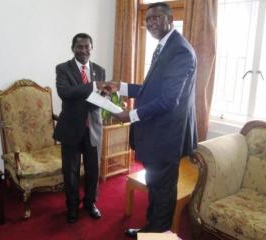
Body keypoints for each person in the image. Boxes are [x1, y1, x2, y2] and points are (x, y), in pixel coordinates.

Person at [106, 2, 197, 238]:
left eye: (156, 18)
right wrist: (120, 87)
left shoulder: (180, 51)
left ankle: (157, 234)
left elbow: (168, 100)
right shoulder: (163, 47)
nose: (151, 23)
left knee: (163, 190)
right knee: (155, 185)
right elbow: (150, 89)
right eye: (147, 19)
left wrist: (130, 115)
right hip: (157, 132)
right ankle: (150, 228)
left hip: (167, 135)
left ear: (170, 20)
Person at [53, 33, 106, 224]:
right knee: (71, 171)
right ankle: (72, 206)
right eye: (80, 47)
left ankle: (90, 203)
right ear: (72, 48)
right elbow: (65, 93)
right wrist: (93, 87)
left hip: (93, 127)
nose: (83, 51)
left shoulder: (100, 70)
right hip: (70, 129)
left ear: (91, 48)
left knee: (93, 170)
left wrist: (105, 96)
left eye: (87, 47)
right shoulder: (63, 69)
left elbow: (100, 98)